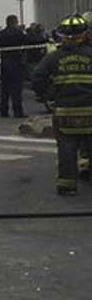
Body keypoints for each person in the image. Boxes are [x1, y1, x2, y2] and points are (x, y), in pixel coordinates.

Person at [33, 14, 92, 196]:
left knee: (66, 149)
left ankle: (67, 186)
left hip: (65, 112)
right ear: (85, 34)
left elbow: (37, 78)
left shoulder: (54, 57)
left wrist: (46, 95)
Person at [0, 14, 29, 118]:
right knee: (16, 89)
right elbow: (28, 44)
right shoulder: (19, 33)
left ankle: (3, 111)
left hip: (5, 63)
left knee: (5, 89)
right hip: (16, 62)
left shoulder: (1, 34)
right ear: (15, 22)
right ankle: (18, 111)